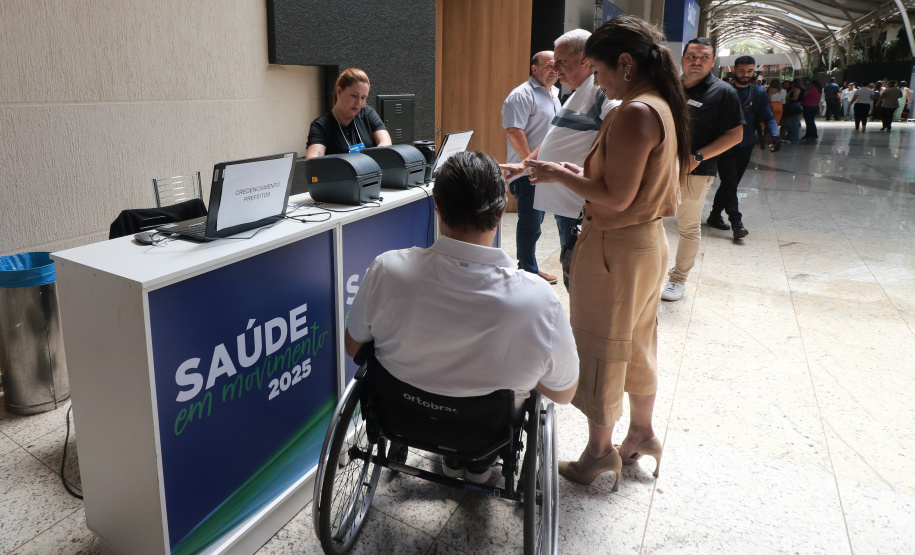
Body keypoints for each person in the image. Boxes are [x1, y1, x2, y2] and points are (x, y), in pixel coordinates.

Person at [344, 150, 579, 483]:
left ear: (437, 206)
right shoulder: (538, 300)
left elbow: (354, 347)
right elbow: (564, 392)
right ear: (500, 212)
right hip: (487, 429)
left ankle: (450, 456)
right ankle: (478, 463)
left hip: (401, 417)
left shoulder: (388, 269)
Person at [526, 15, 689, 491]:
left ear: (624, 62)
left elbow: (615, 197)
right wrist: (557, 167)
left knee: (601, 347)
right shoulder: (661, 104)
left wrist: (559, 175)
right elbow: (624, 181)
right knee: (638, 343)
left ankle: (598, 454)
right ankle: (640, 433)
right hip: (645, 244)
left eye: (597, 71)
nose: (597, 81)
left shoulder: (635, 111)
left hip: (615, 247)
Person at [500, 29, 619, 291]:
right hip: (566, 200)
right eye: (553, 63)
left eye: (562, 62)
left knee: (577, 274)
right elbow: (553, 137)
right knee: (570, 266)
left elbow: (620, 123)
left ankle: (581, 327)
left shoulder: (599, 91)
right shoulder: (575, 94)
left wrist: (593, 171)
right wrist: (525, 164)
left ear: (585, 59)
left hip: (579, 202)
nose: (557, 69)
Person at [660, 37, 743, 302]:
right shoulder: (669, 87)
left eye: (704, 57)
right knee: (649, 220)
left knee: (687, 226)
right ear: (682, 58)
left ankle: (678, 279)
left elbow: (735, 135)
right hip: (660, 166)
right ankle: (650, 271)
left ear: (713, 61)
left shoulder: (724, 92)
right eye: (692, 56)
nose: (697, 61)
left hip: (696, 170)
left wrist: (698, 156)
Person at [502, 51, 561, 284]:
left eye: (557, 66)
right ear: (534, 69)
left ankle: (529, 269)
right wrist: (529, 163)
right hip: (526, 172)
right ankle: (527, 272)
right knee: (530, 224)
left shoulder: (554, 93)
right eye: (548, 66)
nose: (554, 70)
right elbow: (514, 130)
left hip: (544, 170)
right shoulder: (521, 95)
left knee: (537, 223)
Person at [709, 56, 779, 241]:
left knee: (730, 184)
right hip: (724, 145)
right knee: (730, 183)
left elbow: (768, 116)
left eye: (750, 71)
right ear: (734, 69)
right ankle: (736, 222)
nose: (746, 75)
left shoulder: (758, 93)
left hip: (746, 145)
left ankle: (715, 215)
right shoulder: (722, 90)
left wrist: (775, 134)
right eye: (742, 71)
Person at [305, 68, 392, 159]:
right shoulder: (321, 125)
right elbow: (313, 160)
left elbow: (386, 143)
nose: (358, 102)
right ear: (339, 92)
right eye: (354, 96)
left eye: (363, 98)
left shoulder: (368, 113)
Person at [784, 79, 803, 143]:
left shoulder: (797, 90)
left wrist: (787, 98)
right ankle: (791, 136)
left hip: (794, 105)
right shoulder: (800, 89)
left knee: (793, 123)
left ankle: (793, 138)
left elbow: (795, 98)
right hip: (795, 105)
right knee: (792, 122)